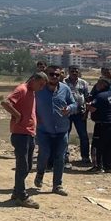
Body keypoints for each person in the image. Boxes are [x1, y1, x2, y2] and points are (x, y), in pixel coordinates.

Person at [0, 72, 47, 208]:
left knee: (26, 166)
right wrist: (18, 115)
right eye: (41, 84)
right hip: (21, 134)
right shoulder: (22, 89)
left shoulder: (31, 92)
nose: (41, 88)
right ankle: (22, 195)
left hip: (29, 133)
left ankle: (17, 191)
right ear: (33, 80)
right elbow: (5, 102)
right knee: (22, 166)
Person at [33, 65, 77, 196]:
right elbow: (30, 104)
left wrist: (69, 108)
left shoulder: (65, 89)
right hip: (43, 130)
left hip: (62, 130)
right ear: (46, 74)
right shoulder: (39, 89)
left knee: (60, 157)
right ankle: (40, 173)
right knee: (44, 154)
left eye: (57, 75)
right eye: (51, 74)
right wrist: (35, 116)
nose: (54, 77)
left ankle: (57, 185)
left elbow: (74, 104)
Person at [87, 77, 111, 173]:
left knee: (97, 145)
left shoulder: (100, 96)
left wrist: (88, 105)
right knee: (109, 145)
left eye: (98, 83)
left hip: (102, 124)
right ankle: (108, 166)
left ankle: (97, 166)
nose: (96, 85)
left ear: (103, 85)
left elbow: (93, 109)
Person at [64, 66, 91, 165]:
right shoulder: (63, 83)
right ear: (68, 72)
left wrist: (87, 113)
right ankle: (65, 157)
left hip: (80, 113)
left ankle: (85, 157)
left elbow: (87, 98)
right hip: (67, 114)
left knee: (83, 136)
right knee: (65, 135)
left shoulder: (83, 83)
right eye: (72, 71)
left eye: (76, 71)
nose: (74, 73)